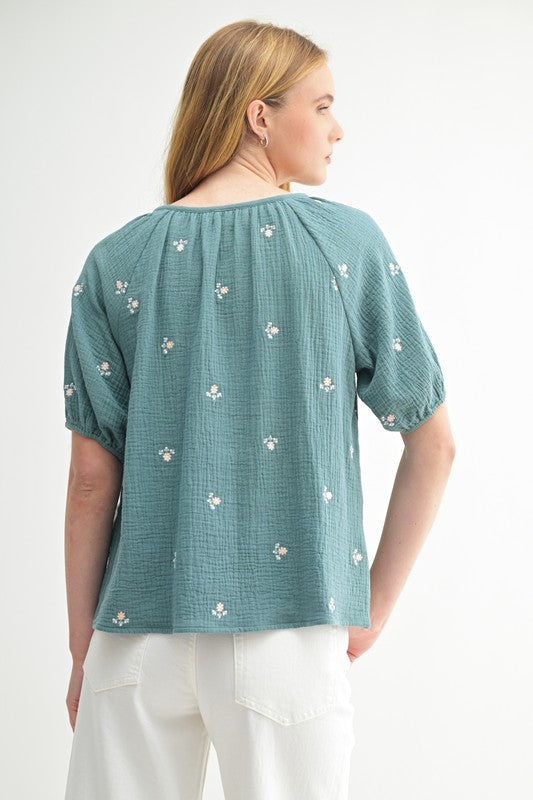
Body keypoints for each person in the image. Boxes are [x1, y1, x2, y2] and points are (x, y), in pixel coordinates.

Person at [62, 19, 455, 800]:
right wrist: (371, 608)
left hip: (135, 633)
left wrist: (83, 653)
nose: (337, 129)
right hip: (290, 624)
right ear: (258, 116)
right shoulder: (342, 244)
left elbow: (89, 481)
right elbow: (434, 443)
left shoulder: (115, 260)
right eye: (323, 105)